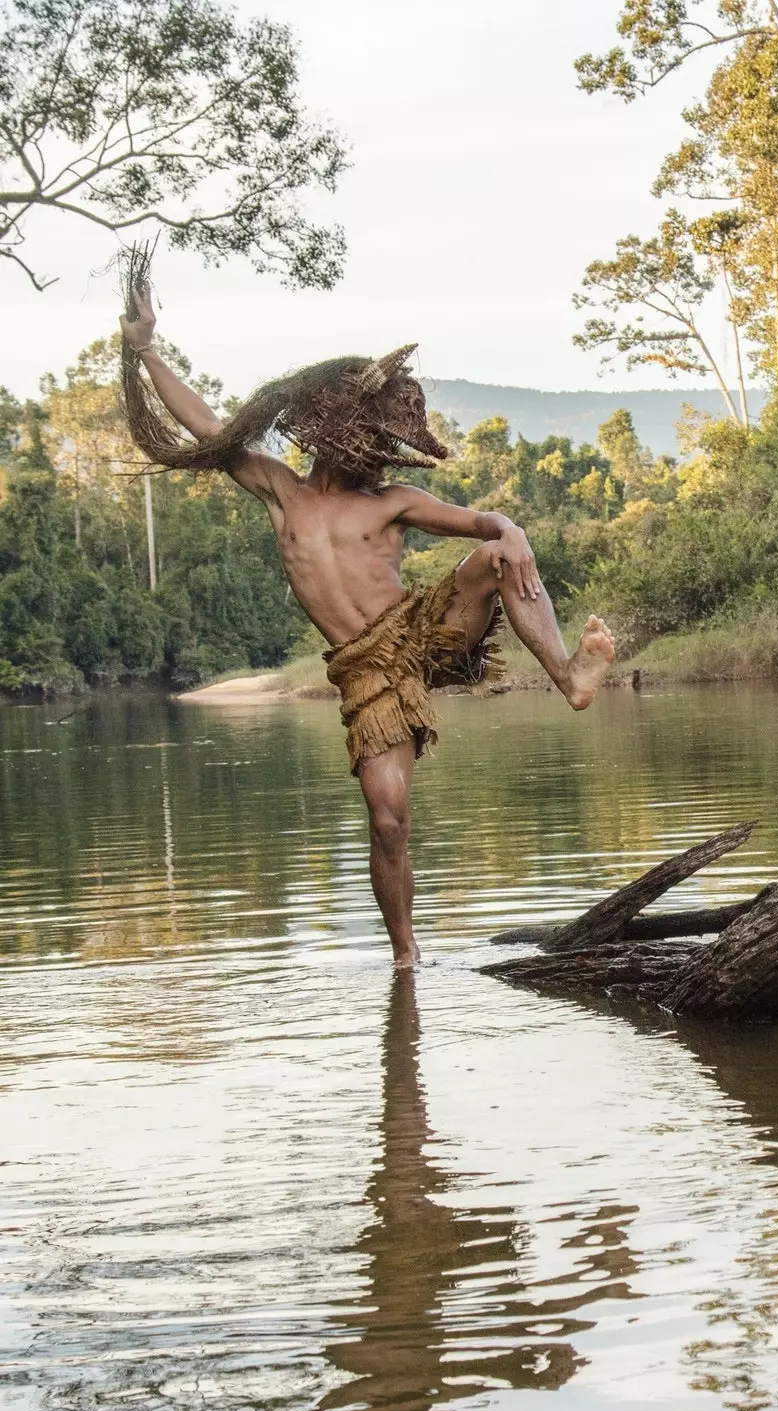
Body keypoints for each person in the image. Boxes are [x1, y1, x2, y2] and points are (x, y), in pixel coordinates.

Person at [119, 279, 616, 968]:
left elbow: (484, 524)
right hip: (367, 674)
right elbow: (208, 428)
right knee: (388, 823)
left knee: (494, 554)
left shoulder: (392, 503)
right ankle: (406, 958)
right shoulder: (279, 490)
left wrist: (513, 527)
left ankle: (570, 676)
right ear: (329, 436)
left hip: (425, 632)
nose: (373, 455)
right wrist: (145, 349)